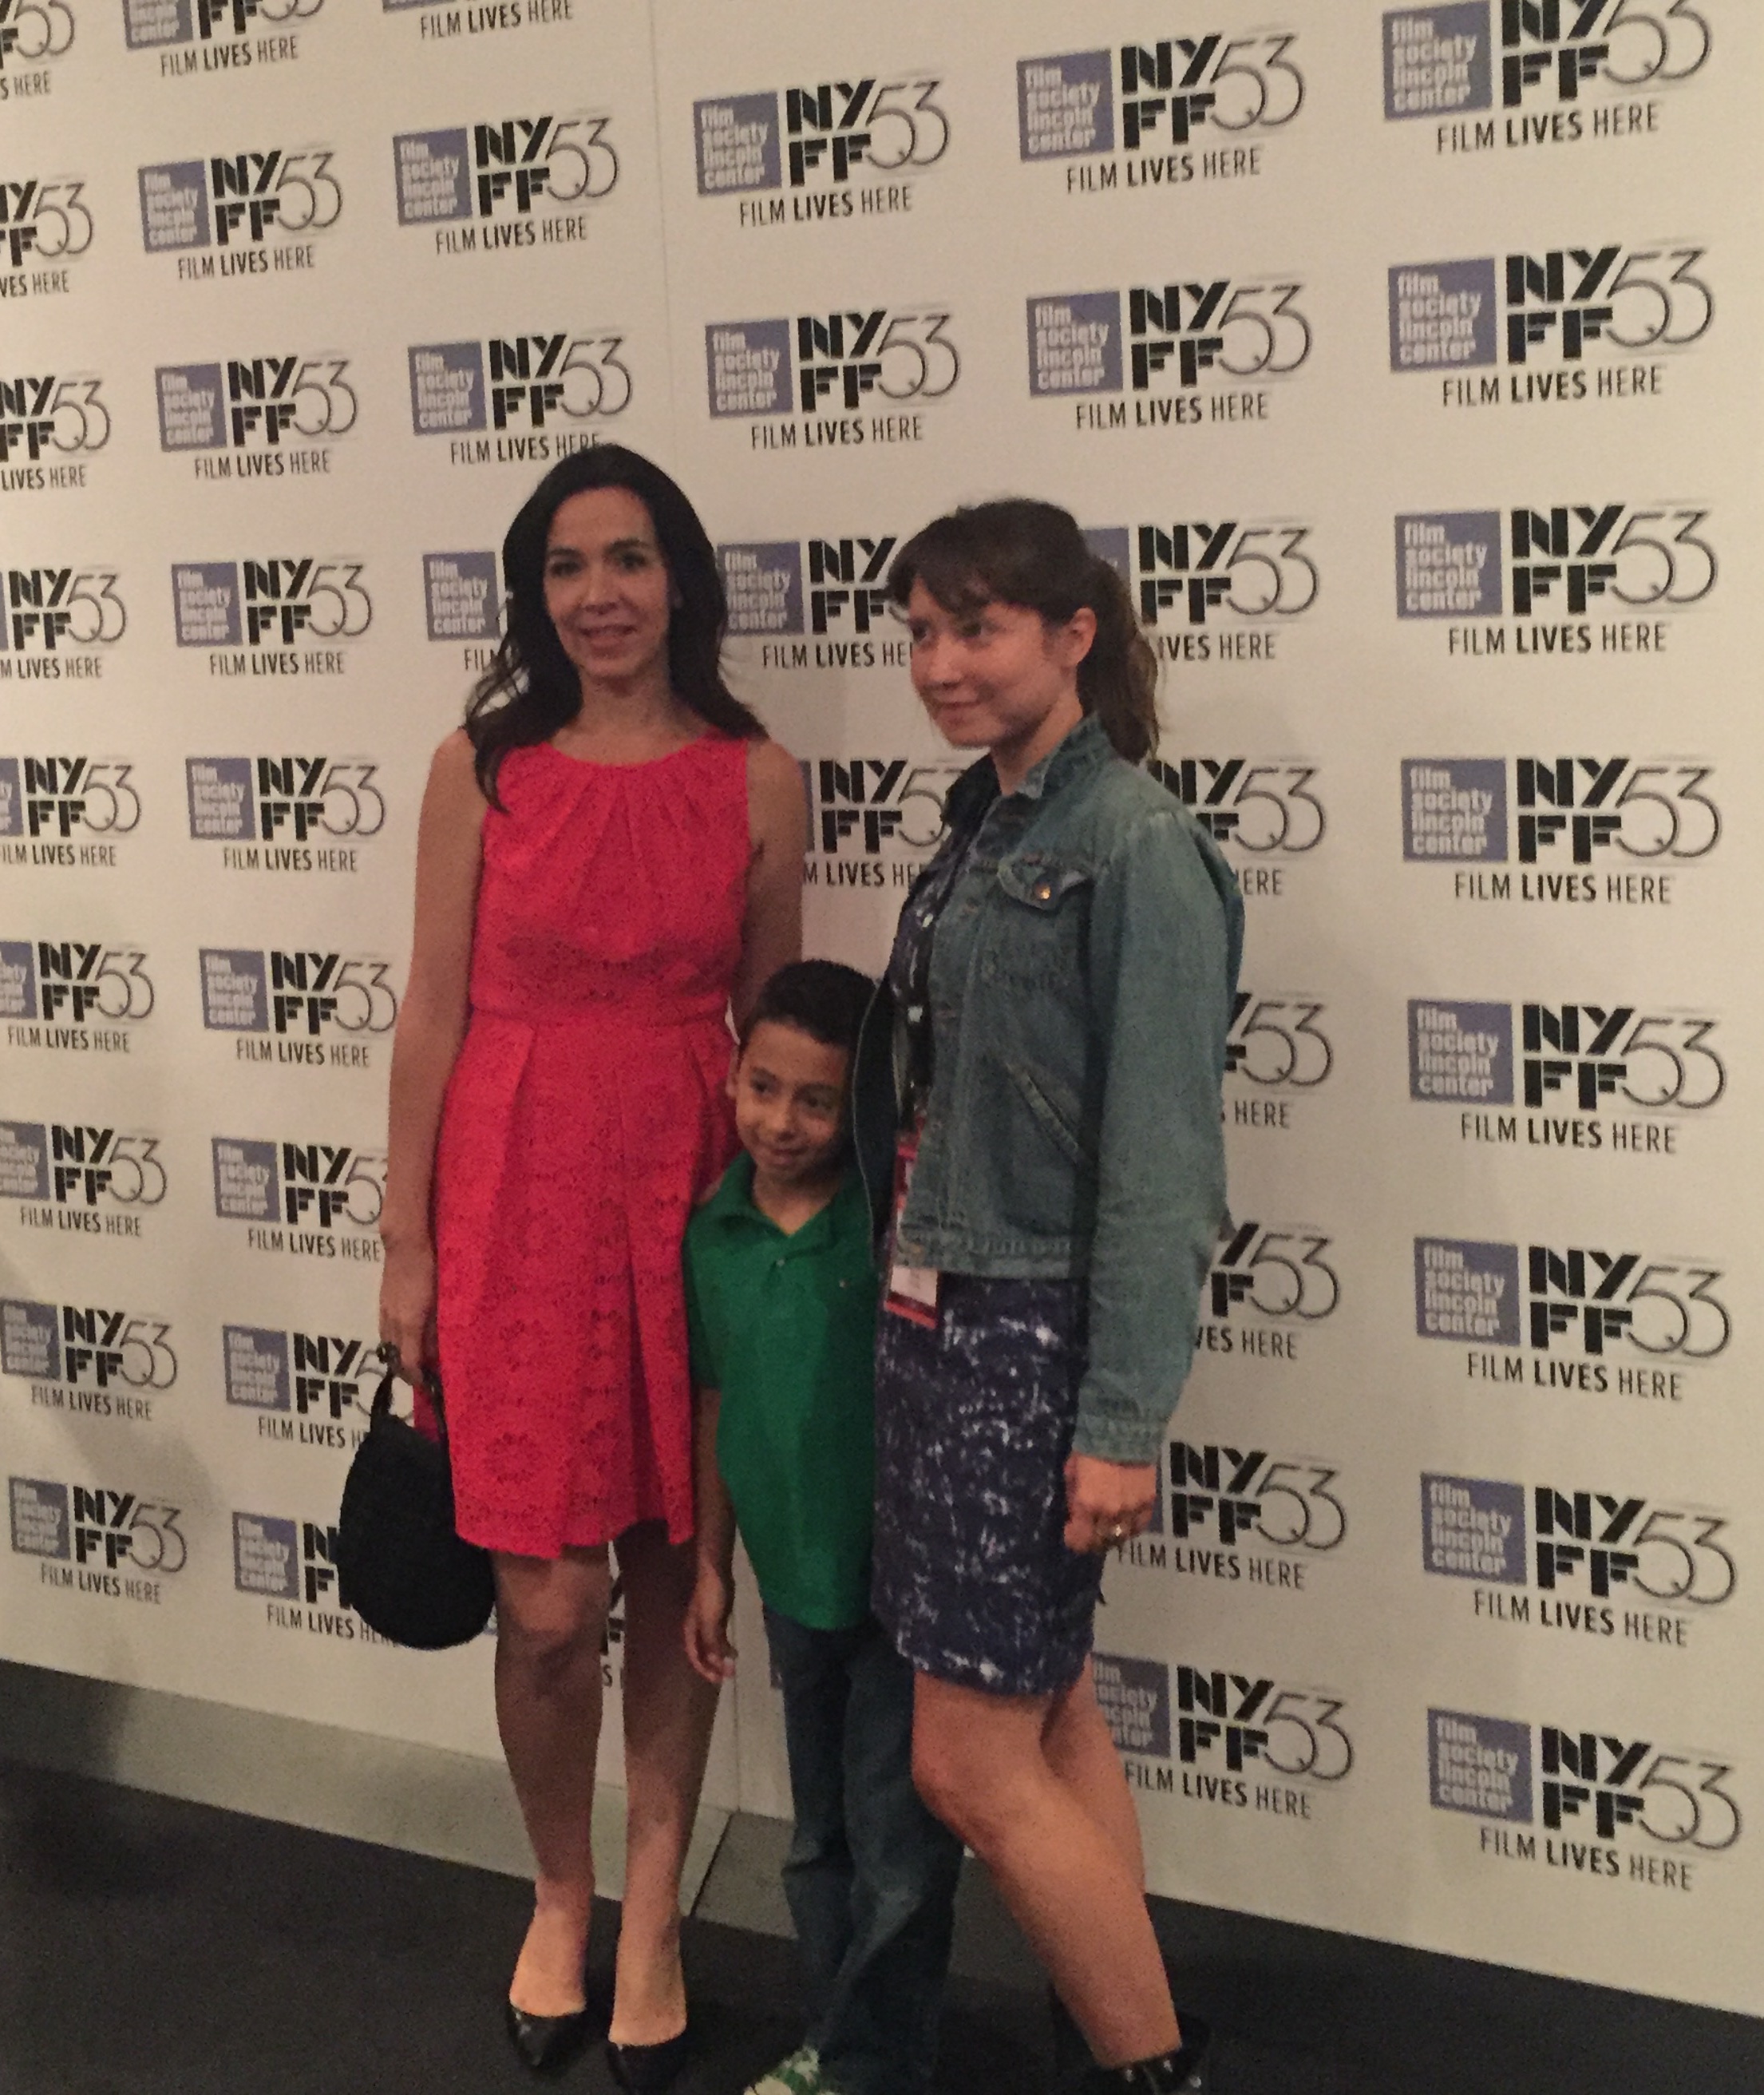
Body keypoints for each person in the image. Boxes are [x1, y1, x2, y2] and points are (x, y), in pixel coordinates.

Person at [377, 446, 805, 2086]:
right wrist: (404, 1237)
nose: (601, 594)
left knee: (672, 1579)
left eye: (630, 558)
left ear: (679, 577)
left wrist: (787, 1240)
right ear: (532, 594)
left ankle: (653, 1917)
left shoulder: (757, 777)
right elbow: (430, 1012)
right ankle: (560, 1890)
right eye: (567, 567)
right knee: (546, 1605)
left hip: (687, 1190)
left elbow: (776, 1034)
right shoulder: (481, 769)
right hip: (512, 1200)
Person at [851, 499, 1242, 2093]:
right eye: (922, 634)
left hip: (1030, 1336)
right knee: (1055, 1706)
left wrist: (1120, 1418)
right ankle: (1127, 2034)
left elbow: (1161, 1169)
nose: (941, 664)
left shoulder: (1133, 841)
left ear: (1072, 633)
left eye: (978, 628)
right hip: (940, 1322)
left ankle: (1154, 2072)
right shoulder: (985, 829)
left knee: (967, 1761)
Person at [682, 960, 963, 2095]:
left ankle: (872, 2065)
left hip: (901, 1589)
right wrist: (708, 1565)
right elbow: (714, 1402)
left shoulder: (890, 1224)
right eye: (762, 1087)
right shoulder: (714, 1228)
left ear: (860, 1104)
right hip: (790, 1585)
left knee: (899, 1851)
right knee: (817, 1842)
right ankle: (832, 2040)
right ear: (734, 1076)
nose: (781, 1123)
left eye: (815, 1100)